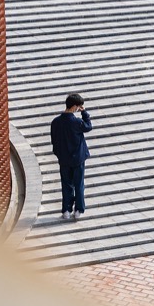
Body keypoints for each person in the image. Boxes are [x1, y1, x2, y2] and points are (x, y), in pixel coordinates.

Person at [48, 92, 93, 222]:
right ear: (74, 107)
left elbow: (54, 140)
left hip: (64, 159)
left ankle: (66, 210)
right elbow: (88, 126)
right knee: (79, 184)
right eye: (78, 107)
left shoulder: (55, 122)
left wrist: (59, 154)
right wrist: (85, 113)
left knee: (66, 184)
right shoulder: (77, 122)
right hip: (78, 158)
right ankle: (78, 210)